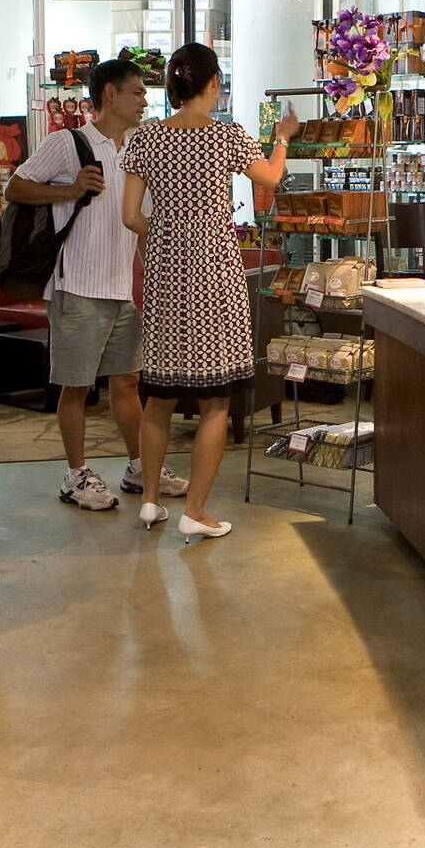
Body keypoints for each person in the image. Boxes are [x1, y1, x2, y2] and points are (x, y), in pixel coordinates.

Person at [120, 43, 293, 539]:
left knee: (160, 397)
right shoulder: (226, 138)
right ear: (213, 84)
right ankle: (196, 510)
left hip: (167, 276)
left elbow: (131, 216)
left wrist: (170, 233)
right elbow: (271, 178)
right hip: (216, 272)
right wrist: (281, 138)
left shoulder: (145, 138)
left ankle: (151, 501)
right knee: (216, 400)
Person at [5, 59, 189, 511]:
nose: (146, 100)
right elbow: (15, 187)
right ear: (110, 94)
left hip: (121, 289)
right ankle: (75, 475)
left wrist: (160, 279)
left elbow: (139, 223)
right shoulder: (69, 143)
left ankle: (138, 466)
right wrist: (67, 191)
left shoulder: (141, 150)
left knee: (127, 382)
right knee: (77, 386)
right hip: (78, 285)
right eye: (136, 92)